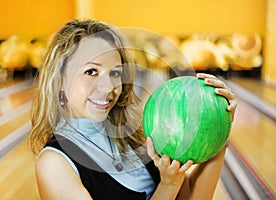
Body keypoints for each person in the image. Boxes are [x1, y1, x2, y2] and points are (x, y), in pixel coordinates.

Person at [27, 19, 237, 200]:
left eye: (115, 73)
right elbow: (172, 189)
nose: (108, 87)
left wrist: (219, 127)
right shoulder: (54, 164)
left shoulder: (131, 135)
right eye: (91, 71)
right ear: (59, 80)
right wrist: (168, 186)